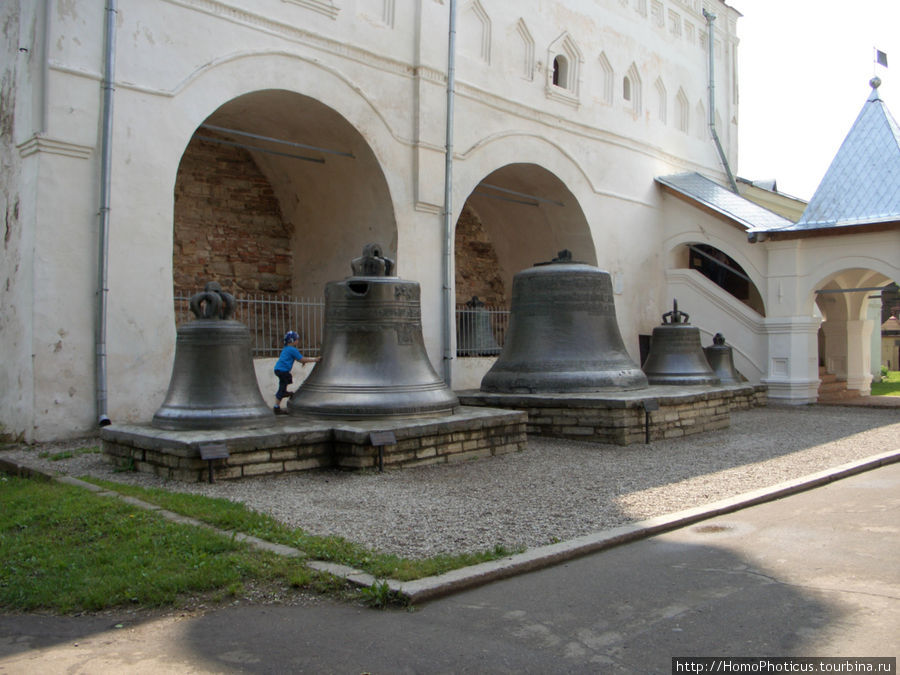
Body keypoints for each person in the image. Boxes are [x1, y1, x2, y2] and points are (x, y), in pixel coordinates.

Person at [273, 330, 316, 415]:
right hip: (283, 371)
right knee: (282, 386)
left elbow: (297, 359)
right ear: (292, 340)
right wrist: (315, 360)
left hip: (278, 370)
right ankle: (276, 407)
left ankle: (283, 392)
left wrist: (302, 361)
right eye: (297, 339)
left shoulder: (286, 349)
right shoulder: (292, 349)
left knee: (287, 379)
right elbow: (301, 359)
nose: (298, 341)